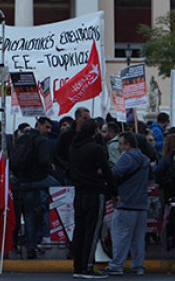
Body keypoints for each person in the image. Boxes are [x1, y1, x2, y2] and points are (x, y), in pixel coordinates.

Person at [69, 118, 111, 279]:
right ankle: (88, 266)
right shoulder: (95, 148)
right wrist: (113, 191)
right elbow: (106, 170)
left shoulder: (74, 147)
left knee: (80, 229)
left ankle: (78, 266)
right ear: (94, 132)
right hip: (94, 192)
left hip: (79, 192)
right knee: (92, 231)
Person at [108, 132, 150, 275]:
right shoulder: (145, 159)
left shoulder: (127, 157)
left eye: (120, 144)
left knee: (120, 236)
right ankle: (138, 266)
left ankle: (116, 266)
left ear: (128, 145)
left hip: (126, 202)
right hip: (141, 204)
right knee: (138, 239)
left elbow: (115, 173)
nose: (119, 147)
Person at [14, 116, 55, 259]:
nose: (48, 131)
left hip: (24, 181)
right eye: (47, 127)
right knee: (61, 189)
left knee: (29, 215)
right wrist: (50, 166)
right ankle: (44, 212)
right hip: (38, 180)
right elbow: (44, 161)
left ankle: (31, 247)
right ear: (39, 125)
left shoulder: (22, 138)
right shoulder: (42, 141)